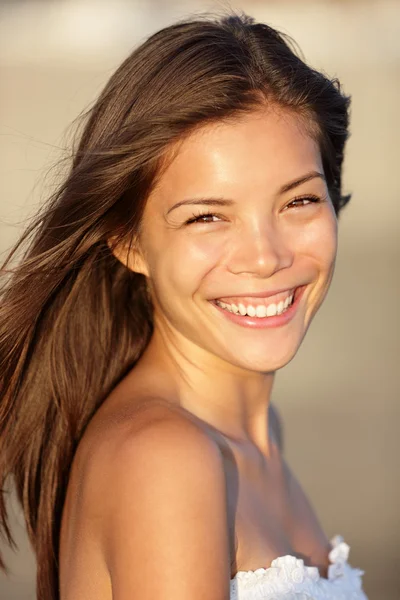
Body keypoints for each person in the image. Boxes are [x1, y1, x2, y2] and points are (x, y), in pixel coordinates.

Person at [0, 11, 368, 600]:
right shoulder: (167, 460)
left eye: (298, 201)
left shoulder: (253, 433)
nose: (265, 256)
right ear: (127, 240)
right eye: (207, 216)